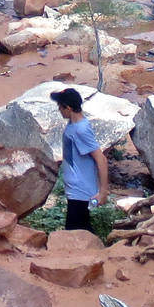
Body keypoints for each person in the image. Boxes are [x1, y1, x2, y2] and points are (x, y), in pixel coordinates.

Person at [51, 87, 107, 233]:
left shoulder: (81, 130)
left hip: (81, 192)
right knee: (79, 230)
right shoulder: (73, 124)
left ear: (68, 108)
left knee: (76, 234)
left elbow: (101, 160)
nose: (59, 110)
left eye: (60, 107)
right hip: (74, 191)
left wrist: (102, 193)